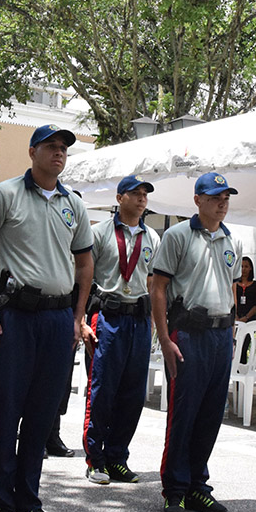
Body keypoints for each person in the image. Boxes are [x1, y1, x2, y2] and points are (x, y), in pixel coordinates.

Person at [0, 124, 93, 512]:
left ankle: (29, 503)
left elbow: (85, 262)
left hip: (57, 321)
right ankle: (3, 505)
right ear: (32, 151)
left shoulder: (73, 202)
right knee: (7, 413)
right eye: (51, 147)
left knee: (41, 415)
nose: (59, 154)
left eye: (63, 149)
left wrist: (77, 316)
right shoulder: (5, 195)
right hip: (15, 316)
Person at [150, 172, 242, 512]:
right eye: (216, 196)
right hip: (189, 331)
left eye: (227, 197)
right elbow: (158, 289)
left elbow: (231, 286)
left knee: (211, 413)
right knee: (184, 413)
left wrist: (232, 328)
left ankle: (197, 486)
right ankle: (175, 489)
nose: (223, 202)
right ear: (198, 200)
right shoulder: (177, 236)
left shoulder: (233, 241)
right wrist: (164, 339)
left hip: (220, 335)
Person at [81, 175, 159, 486]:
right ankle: (95, 459)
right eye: (135, 194)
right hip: (108, 316)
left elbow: (152, 282)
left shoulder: (152, 236)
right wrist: (84, 321)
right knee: (103, 389)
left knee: (133, 393)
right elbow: (83, 276)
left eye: (145, 195)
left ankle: (118, 457)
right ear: (119, 197)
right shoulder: (99, 233)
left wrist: (153, 322)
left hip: (138, 320)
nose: (141, 199)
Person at [233, 256, 256, 322]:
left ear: (250, 268)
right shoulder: (234, 284)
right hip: (236, 319)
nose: (243, 269)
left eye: (246, 267)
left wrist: (247, 317)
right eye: (241, 266)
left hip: (251, 320)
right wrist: (235, 316)